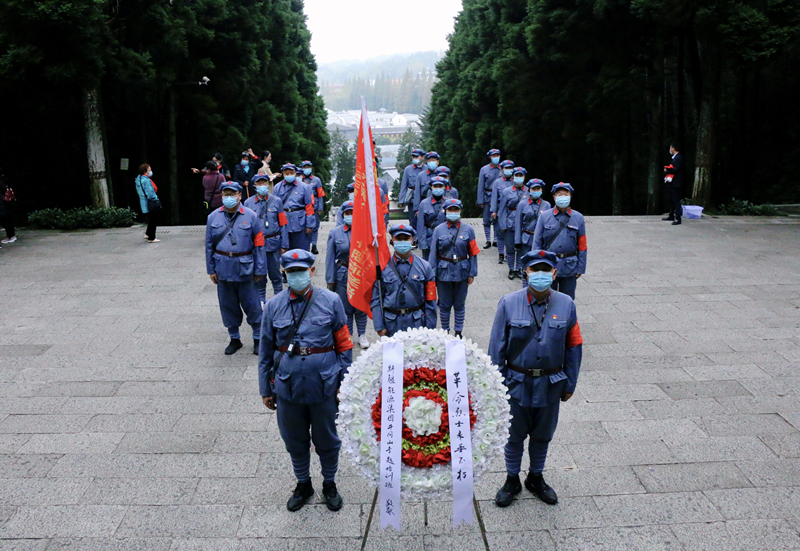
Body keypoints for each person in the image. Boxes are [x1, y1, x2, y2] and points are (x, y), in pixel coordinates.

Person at [259, 249, 352, 512]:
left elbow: (344, 345)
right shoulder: (274, 305)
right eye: (292, 272)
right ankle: (303, 484)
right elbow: (266, 350)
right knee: (295, 439)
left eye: (302, 270)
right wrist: (265, 389)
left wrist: (346, 384)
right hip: (287, 386)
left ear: (311, 271)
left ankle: (329, 483)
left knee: (328, 439)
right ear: (284, 273)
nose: (297, 275)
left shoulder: (331, 300)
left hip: (325, 385)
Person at [490, 249, 583, 508]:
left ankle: (535, 476)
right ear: (526, 272)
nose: (540, 275)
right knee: (514, 435)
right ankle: (511, 479)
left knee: (543, 435)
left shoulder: (566, 304)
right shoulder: (508, 303)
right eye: (535, 270)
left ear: (554, 273)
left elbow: (574, 346)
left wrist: (570, 383)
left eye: (546, 270)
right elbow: (496, 347)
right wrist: (495, 386)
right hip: (516, 382)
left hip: (551, 384)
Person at [205, 182, 267, 355]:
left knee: (253, 306)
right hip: (223, 268)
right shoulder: (213, 218)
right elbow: (209, 246)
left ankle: (257, 338)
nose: (229, 198)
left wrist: (260, 269)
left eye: (232, 194)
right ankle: (234, 339)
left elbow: (259, 245)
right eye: (226, 194)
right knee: (228, 306)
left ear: (240, 195)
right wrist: (211, 269)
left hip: (246, 268)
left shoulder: (251, 216)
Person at [371, 224, 438, 337]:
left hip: (417, 323)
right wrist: (379, 326)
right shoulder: (382, 267)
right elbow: (376, 299)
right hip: (391, 324)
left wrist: (430, 328)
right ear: (392, 240)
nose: (402, 242)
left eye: (406, 239)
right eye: (399, 239)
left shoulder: (425, 267)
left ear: (412, 240)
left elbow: (431, 300)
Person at [428, 199, 480, 337]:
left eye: (455, 210)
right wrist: (432, 274)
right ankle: (445, 330)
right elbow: (433, 253)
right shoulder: (438, 230)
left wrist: (472, 272)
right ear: (445, 211)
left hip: (462, 270)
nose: (453, 212)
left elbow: (473, 252)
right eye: (450, 210)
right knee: (444, 304)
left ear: (460, 211)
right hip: (443, 271)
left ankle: (458, 331)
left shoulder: (468, 229)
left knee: (459, 304)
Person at [326, 201, 371, 350]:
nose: (351, 216)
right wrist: (330, 279)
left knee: (361, 306)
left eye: (353, 213)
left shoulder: (365, 231)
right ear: (343, 215)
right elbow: (330, 258)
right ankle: (349, 334)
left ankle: (362, 334)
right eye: (347, 213)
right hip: (343, 273)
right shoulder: (335, 233)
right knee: (346, 307)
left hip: (361, 273)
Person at [532, 183, 587, 299]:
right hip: (549, 264)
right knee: (547, 298)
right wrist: (536, 265)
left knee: (567, 299)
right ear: (554, 197)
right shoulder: (544, 216)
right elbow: (537, 242)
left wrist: (581, 267)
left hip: (570, 266)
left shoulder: (578, 218)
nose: (563, 197)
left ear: (570, 196)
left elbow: (582, 245)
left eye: (566, 194)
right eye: (559, 194)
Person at [244, 174, 290, 302]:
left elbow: (283, 224)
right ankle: (261, 303)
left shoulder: (277, 201)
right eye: (259, 183)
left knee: (276, 275)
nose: (262, 186)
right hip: (256, 245)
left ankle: (279, 301)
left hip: (273, 243)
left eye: (264, 183)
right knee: (259, 276)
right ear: (255, 186)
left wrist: (284, 245)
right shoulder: (248, 203)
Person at [273, 164, 316, 251]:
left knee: (302, 251)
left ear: (295, 173)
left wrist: (309, 225)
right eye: (287, 173)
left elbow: (309, 207)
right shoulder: (277, 187)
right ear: (283, 173)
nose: (289, 175)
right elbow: (275, 208)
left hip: (300, 222)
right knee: (286, 253)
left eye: (291, 173)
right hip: (284, 222)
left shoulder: (305, 187)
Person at [498, 167, 528, 279]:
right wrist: (503, 224)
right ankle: (511, 269)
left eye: (521, 176)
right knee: (510, 248)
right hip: (510, 222)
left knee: (521, 248)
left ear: (524, 177)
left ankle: (518, 269)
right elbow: (502, 209)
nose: (519, 178)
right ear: (513, 177)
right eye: (517, 175)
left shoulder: (528, 191)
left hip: (524, 224)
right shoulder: (507, 191)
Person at [515, 179, 551, 266]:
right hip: (526, 238)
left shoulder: (546, 205)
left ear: (541, 190)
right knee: (525, 262)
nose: (536, 191)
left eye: (538, 189)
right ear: (529, 190)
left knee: (538, 262)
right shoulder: (522, 204)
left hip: (540, 238)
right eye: (534, 189)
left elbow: (549, 223)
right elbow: (518, 223)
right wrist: (517, 241)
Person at [416, 176, 449, 261]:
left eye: (440, 186)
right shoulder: (424, 203)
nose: (438, 188)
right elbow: (420, 224)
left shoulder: (448, 203)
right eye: (435, 186)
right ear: (431, 187)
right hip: (429, 238)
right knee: (428, 265)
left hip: (444, 238)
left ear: (444, 187)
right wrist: (422, 243)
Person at [491, 160, 516, 264]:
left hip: (512, 212)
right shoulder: (497, 182)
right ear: (502, 169)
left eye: (511, 168)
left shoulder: (515, 182)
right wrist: (493, 211)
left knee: (510, 234)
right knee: (500, 232)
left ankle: (508, 253)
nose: (509, 170)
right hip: (501, 210)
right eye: (507, 168)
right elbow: (494, 197)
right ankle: (501, 253)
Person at [299, 161, 326, 255]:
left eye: (308, 167)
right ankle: (305, 244)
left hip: (314, 206)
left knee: (314, 227)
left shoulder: (316, 180)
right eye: (304, 167)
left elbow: (320, 195)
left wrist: (320, 208)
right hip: (302, 207)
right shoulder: (299, 179)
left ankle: (314, 245)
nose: (306, 169)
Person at [478, 149, 502, 249]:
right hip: (488, 197)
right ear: (490, 157)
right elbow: (480, 186)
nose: (496, 157)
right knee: (486, 220)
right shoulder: (484, 169)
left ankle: (496, 240)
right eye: (494, 155)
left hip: (500, 198)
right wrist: (480, 200)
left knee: (497, 220)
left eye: (497, 155)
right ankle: (488, 240)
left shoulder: (503, 168)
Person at [411, 151, 440, 223]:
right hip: (425, 206)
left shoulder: (441, 174)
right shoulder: (421, 175)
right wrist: (417, 209)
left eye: (433, 160)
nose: (431, 162)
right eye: (429, 160)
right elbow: (417, 193)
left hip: (440, 205)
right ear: (426, 162)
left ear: (438, 162)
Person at [399, 148, 426, 226]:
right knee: (413, 221)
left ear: (422, 157)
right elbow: (404, 185)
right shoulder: (408, 169)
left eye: (417, 156)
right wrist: (401, 200)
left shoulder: (427, 169)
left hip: (424, 198)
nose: (414, 158)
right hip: (412, 199)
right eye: (413, 157)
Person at [135, 163, 160, 243]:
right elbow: (149, 192)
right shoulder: (145, 180)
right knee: (153, 219)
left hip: (144, 201)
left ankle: (148, 233)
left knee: (151, 218)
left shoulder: (139, 179)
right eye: (149, 170)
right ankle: (151, 237)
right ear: (145, 171)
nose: (151, 171)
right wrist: (155, 199)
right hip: (150, 202)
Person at [663, 142, 684, 225]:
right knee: (671, 199)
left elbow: (676, 169)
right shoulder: (674, 158)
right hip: (672, 182)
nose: (670, 150)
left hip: (676, 182)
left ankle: (678, 218)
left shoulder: (679, 158)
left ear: (673, 148)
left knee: (676, 200)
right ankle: (671, 215)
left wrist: (667, 170)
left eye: (670, 148)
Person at [0, 170, 16, 245]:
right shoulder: (4, 179)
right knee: (7, 219)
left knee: (6, 220)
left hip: (3, 203)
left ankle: (11, 236)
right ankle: (11, 235)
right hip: (6, 202)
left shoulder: (1, 182)